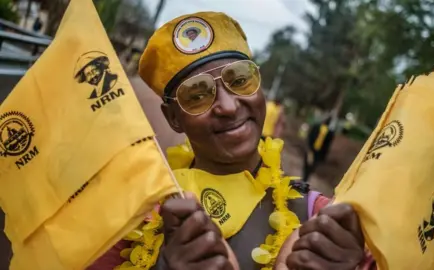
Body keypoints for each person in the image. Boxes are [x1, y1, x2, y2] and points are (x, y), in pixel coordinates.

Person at [89, 12, 375, 270]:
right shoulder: (133, 215)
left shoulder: (321, 221)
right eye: (197, 95)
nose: (228, 106)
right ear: (173, 118)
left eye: (240, 80)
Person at [303, 115, 336, 181]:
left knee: (311, 166)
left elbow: (327, 145)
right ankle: (305, 178)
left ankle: (305, 179)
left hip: (318, 152)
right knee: (308, 165)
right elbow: (310, 137)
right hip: (312, 149)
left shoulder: (329, 133)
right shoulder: (317, 127)